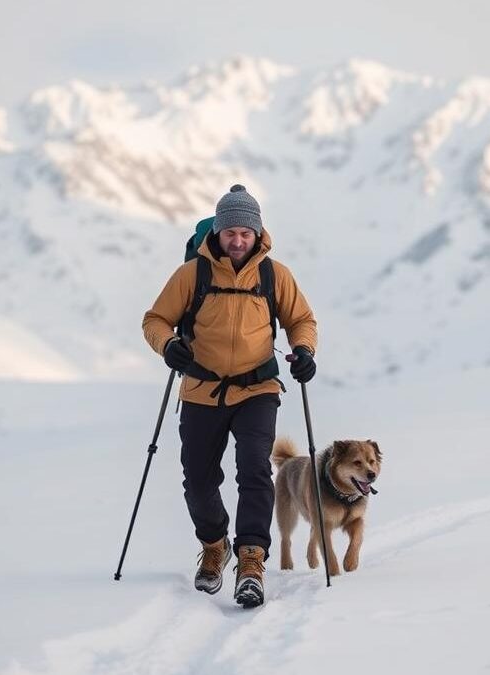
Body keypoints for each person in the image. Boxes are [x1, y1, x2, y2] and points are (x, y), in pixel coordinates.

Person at [142, 184, 318, 608]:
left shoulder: (275, 275)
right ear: (217, 233)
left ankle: (252, 559)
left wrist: (305, 351)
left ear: (258, 234)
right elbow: (156, 320)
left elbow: (301, 320)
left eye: (245, 233)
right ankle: (215, 543)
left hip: (257, 389)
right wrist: (168, 345)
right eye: (230, 233)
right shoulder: (192, 274)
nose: (238, 241)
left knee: (254, 468)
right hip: (202, 389)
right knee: (198, 480)